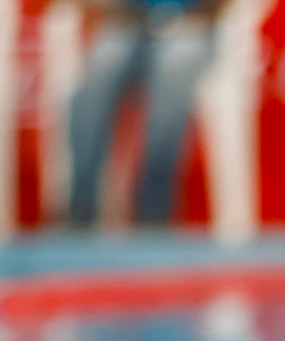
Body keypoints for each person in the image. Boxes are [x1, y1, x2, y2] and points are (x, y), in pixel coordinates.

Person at [64, 0, 229, 226]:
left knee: (175, 66)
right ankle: (80, 209)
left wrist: (202, 12)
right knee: (100, 69)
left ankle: (154, 211)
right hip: (127, 26)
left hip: (191, 25)